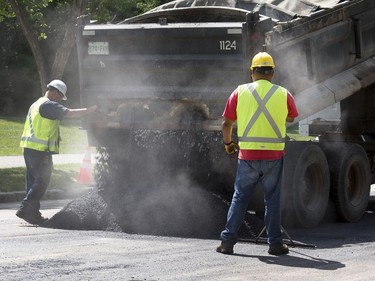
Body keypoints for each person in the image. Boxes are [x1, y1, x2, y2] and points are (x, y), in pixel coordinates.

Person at [216, 52, 299, 256]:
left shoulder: (239, 92)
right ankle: (275, 244)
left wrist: (228, 143)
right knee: (272, 200)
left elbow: (226, 122)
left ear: (252, 72)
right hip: (274, 157)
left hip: (247, 157)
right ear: (272, 73)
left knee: (240, 198)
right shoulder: (284, 93)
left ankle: (227, 242)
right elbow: (291, 118)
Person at [16, 79, 98, 225]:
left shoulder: (37, 103)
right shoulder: (48, 105)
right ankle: (25, 208)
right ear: (55, 93)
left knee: (33, 182)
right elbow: (70, 113)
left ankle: (33, 214)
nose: (61, 100)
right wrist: (90, 110)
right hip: (40, 151)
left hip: (29, 149)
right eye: (61, 97)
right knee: (42, 181)